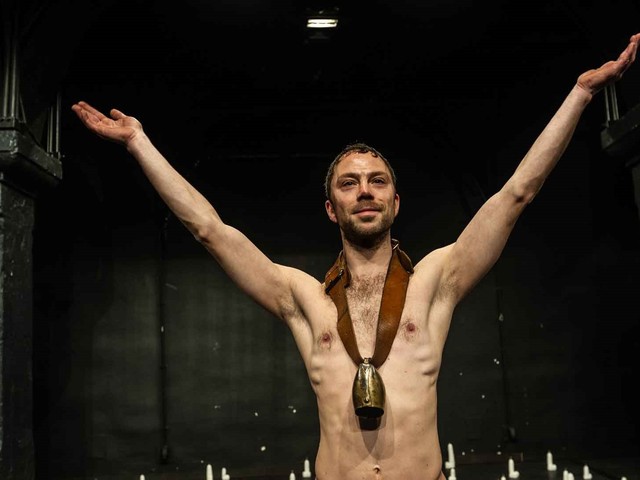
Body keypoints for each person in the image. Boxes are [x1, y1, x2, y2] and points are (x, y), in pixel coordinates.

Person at [72, 33, 639, 480]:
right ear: (330, 208)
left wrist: (581, 94)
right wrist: (138, 142)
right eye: (349, 183)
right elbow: (209, 231)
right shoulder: (303, 297)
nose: (365, 191)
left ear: (396, 201)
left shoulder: (436, 280)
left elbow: (516, 195)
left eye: (377, 181)